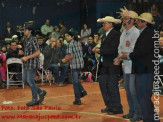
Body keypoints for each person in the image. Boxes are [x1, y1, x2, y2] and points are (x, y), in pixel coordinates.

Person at [120, 13, 160, 122]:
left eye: (139, 21)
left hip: (145, 70)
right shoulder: (146, 33)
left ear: (144, 23)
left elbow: (141, 51)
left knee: (143, 96)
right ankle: (152, 118)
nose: (137, 22)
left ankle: (149, 119)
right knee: (143, 96)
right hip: (143, 70)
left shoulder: (148, 34)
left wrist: (127, 55)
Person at [114, 8, 143, 121]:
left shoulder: (135, 32)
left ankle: (138, 113)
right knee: (128, 90)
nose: (124, 20)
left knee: (133, 90)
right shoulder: (123, 33)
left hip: (134, 65)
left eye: (126, 18)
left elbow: (133, 49)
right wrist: (119, 57)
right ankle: (131, 111)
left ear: (132, 20)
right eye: (124, 18)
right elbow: (120, 48)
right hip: (125, 65)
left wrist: (120, 57)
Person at [95, 16, 123, 115]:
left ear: (111, 24)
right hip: (105, 64)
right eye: (102, 23)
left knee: (112, 86)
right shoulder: (104, 35)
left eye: (105, 23)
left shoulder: (116, 34)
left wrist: (100, 50)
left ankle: (117, 107)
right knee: (103, 84)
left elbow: (114, 50)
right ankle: (109, 105)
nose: (103, 24)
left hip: (112, 64)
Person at [21, 22, 46, 106]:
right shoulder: (26, 39)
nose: (24, 31)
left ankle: (35, 99)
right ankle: (41, 92)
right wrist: (22, 53)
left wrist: (27, 57)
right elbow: (28, 51)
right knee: (25, 80)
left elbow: (38, 52)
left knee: (30, 81)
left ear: (30, 31)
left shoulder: (34, 39)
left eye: (25, 30)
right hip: (26, 63)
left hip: (32, 63)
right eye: (24, 29)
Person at [62, 31, 87, 105]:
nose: (67, 37)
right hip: (80, 63)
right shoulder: (78, 43)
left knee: (75, 82)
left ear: (72, 37)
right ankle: (82, 91)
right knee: (75, 80)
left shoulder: (70, 44)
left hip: (75, 64)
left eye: (68, 36)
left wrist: (64, 60)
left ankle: (77, 99)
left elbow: (71, 56)